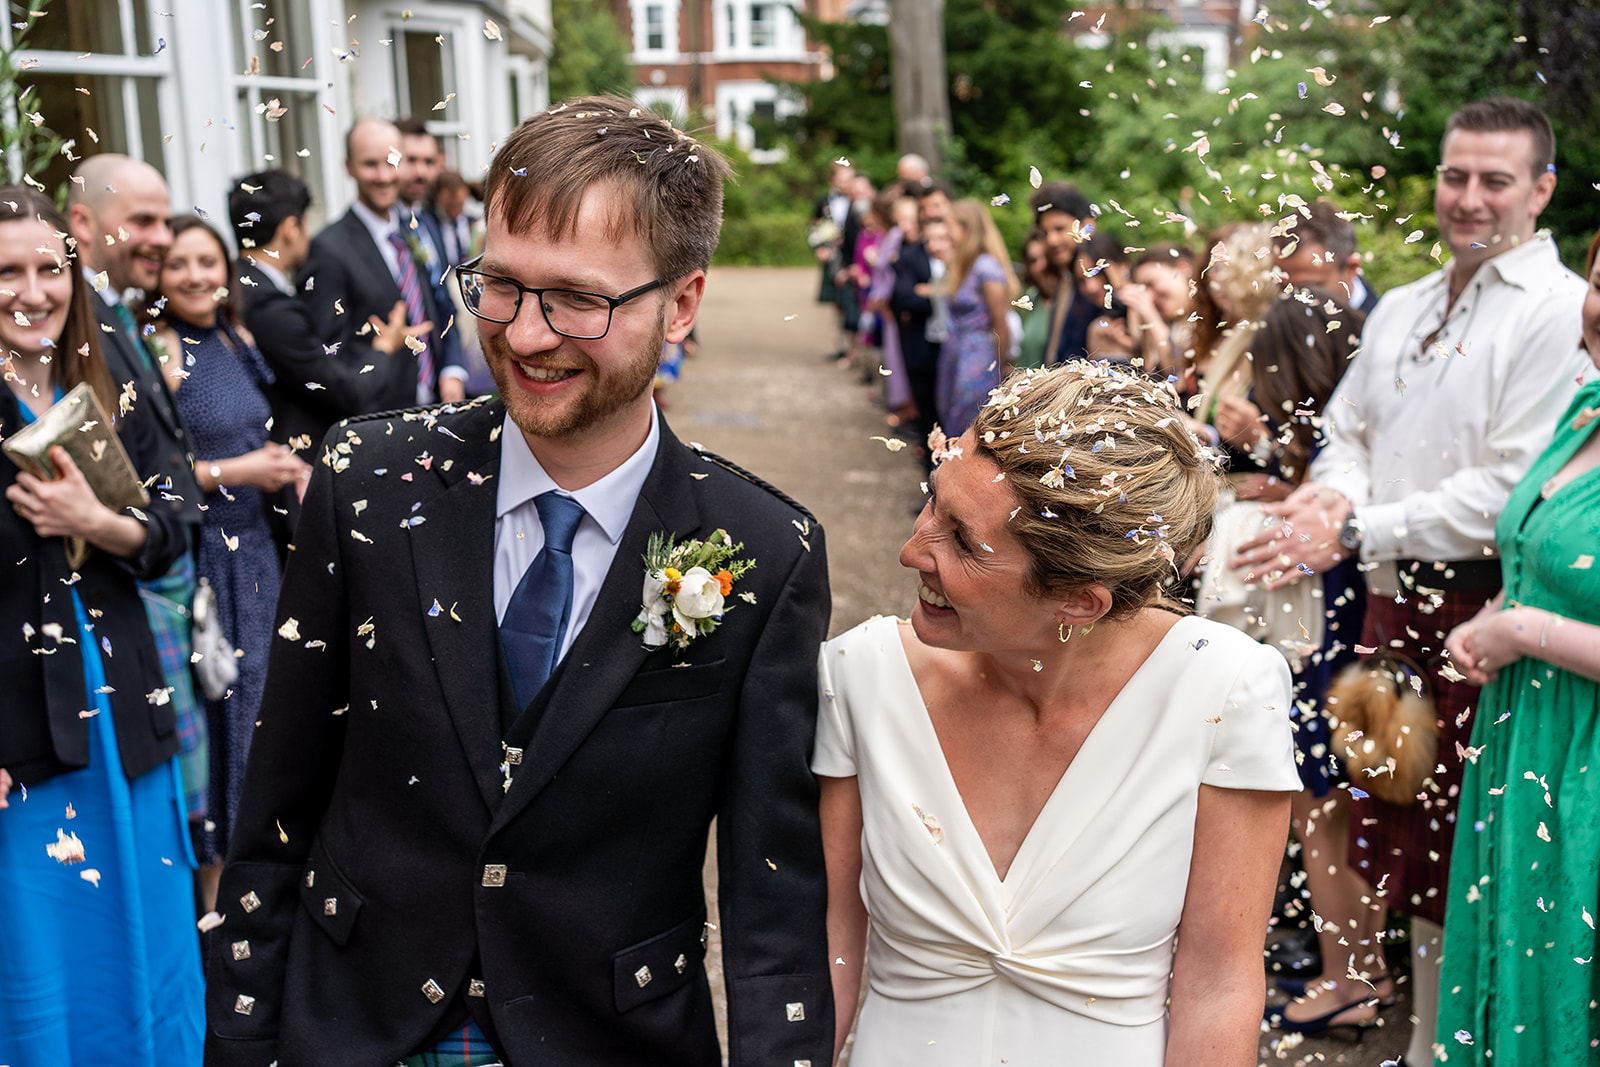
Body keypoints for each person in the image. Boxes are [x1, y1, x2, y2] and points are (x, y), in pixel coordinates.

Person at [204, 95, 834, 1067]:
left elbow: (772, 902)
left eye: (579, 298)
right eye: (500, 286)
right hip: (357, 1020)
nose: (526, 336)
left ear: (685, 301)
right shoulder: (368, 483)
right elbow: (276, 807)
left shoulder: (763, 549)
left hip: (607, 1034)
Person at [1232, 97, 1587, 1063]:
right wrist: (1329, 504)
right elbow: (1347, 432)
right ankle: (1427, 1038)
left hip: (1485, 603)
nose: (1468, 198)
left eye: (1495, 180)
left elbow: (1511, 486)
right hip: (1390, 599)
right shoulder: (1411, 300)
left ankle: (1445, 1044)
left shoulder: (1557, 313)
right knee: (1394, 836)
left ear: (1541, 190)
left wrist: (1351, 522)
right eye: (1454, 175)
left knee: (1463, 858)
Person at [817, 362, 1299, 1065]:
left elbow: (1219, 983)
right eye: (933, 502)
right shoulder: (862, 676)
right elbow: (826, 947)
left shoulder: (1224, 690)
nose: (912, 548)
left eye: (962, 540)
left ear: (1080, 600)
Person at [0, 185, 204, 1067]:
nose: (32, 290)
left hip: (129, 710)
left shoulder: (109, 364)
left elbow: (175, 524)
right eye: (7, 271)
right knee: (48, 963)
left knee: (154, 947)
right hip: (20, 739)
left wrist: (95, 520)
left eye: (49, 268)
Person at [1434, 225, 1600, 1066]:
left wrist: (1519, 630)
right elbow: (1540, 551)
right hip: (1525, 738)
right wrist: (1493, 612)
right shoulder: (1585, 407)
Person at [148, 216, 311, 894]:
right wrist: (240, 470)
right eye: (179, 264)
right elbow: (156, 476)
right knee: (220, 712)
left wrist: (284, 467)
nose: (196, 276)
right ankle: (214, 891)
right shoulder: (159, 349)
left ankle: (259, 871)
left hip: (258, 556)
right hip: (204, 558)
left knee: (263, 710)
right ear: (157, 275)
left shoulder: (233, 335)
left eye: (208, 262)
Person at [67, 154, 208, 827]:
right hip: (135, 583)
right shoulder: (75, 323)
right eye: (142, 221)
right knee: (169, 804)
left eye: (165, 218)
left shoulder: (118, 313)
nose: (162, 236)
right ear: (82, 223)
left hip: (164, 563)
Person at [228, 169, 419, 548]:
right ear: (290, 227)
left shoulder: (245, 288)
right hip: (284, 477)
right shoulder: (268, 306)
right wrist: (383, 348)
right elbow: (343, 391)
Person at [300, 117, 466, 408]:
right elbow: (328, 357)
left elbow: (438, 309)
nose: (383, 176)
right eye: (369, 164)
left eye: (391, 162)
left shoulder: (411, 231)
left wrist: (451, 371)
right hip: (378, 416)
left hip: (434, 405)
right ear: (349, 167)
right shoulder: (328, 249)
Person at [933, 198, 1018, 435]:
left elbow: (1001, 323)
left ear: (966, 228)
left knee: (968, 419)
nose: (946, 233)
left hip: (978, 356)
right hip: (955, 351)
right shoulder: (963, 265)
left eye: (950, 226)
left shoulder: (986, 267)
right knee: (949, 414)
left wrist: (1001, 366)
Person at [1028, 180, 1094, 365]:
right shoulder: (1062, 279)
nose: (1052, 240)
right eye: (1045, 232)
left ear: (1087, 226)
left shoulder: (1097, 285)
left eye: (1059, 229)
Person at [1273, 199, 1378, 314]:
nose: (1296, 301)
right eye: (1283, 288)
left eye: (1310, 289)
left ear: (1352, 268)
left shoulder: (1383, 325)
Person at [1124, 242, 1195, 379]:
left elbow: (1178, 375)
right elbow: (1150, 375)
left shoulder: (1210, 318)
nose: (1150, 297)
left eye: (1150, 284)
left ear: (1183, 268)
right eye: (1142, 289)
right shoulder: (1170, 322)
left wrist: (1151, 317)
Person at [1014, 226, 1056, 370]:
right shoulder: (1031, 298)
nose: (1041, 266)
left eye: (1046, 257)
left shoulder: (1072, 301)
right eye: (1033, 260)